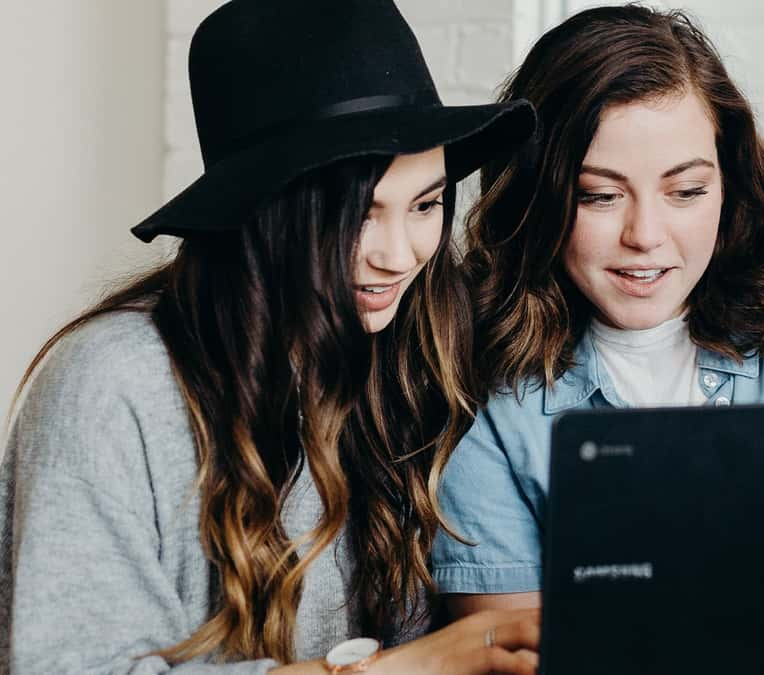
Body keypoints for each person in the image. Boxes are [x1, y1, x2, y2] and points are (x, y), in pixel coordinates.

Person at [0, 0, 542, 672]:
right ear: (264, 214)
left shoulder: (407, 357)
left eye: (426, 204)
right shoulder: (112, 384)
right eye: (359, 214)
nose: (400, 254)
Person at [432, 5, 764, 643]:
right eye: (599, 195)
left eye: (686, 191)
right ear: (537, 196)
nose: (645, 236)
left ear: (729, 183)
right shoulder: (471, 357)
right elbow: (508, 644)